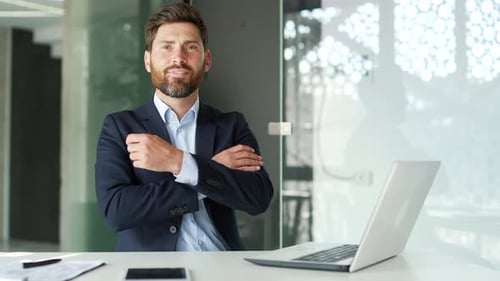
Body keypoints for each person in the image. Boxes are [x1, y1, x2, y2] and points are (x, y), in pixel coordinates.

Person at [95, 3, 274, 251]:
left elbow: (258, 198)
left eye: (190, 47)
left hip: (224, 268)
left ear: (207, 60)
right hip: (153, 272)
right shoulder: (120, 127)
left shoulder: (230, 125)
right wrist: (209, 173)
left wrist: (178, 162)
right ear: (148, 61)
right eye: (166, 47)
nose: (178, 57)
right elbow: (116, 211)